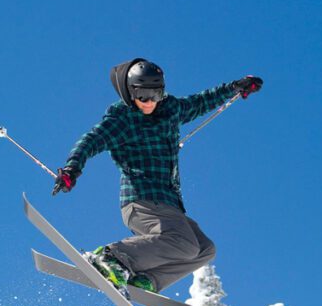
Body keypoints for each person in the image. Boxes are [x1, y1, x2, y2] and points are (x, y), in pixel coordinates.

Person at [53, 58, 262, 293]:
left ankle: (146, 280)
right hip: (141, 200)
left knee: (204, 249)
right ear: (131, 94)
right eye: (143, 96)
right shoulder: (123, 119)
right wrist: (72, 168)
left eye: (156, 94)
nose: (150, 101)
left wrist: (234, 87)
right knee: (184, 243)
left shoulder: (170, 109)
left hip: (168, 203)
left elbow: (201, 102)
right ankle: (111, 257)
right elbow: (91, 140)